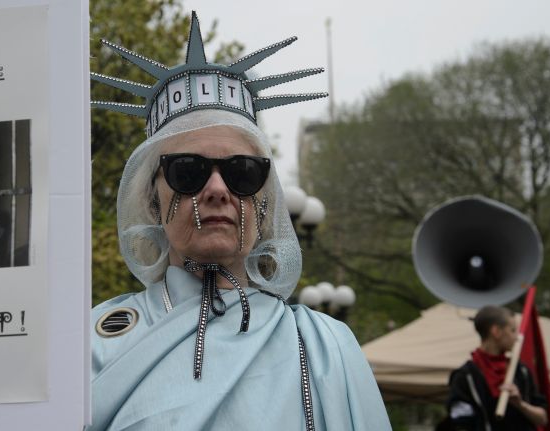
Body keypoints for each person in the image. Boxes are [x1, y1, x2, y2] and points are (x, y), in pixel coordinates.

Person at [88, 12, 391, 430]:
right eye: (187, 170)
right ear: (151, 200)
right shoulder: (90, 342)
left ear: (263, 203)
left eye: (243, 172)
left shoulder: (327, 347)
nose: (217, 189)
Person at [446, 305, 548, 430]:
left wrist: (520, 404)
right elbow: (460, 423)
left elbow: (543, 418)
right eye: (512, 330)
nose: (516, 337)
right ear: (496, 332)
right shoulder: (465, 376)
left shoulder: (522, 371)